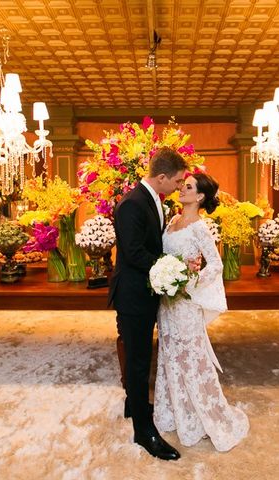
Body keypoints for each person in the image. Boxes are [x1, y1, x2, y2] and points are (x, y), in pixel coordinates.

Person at [154, 172, 249, 452]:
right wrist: (166, 278)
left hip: (185, 303)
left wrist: (188, 284)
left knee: (190, 358)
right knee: (169, 354)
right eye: (183, 184)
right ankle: (176, 412)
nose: (182, 188)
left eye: (189, 186)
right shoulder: (172, 221)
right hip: (166, 303)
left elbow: (215, 265)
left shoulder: (199, 227)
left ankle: (203, 415)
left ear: (200, 197)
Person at [109, 147, 188, 461]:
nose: (181, 186)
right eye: (179, 181)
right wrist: (172, 267)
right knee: (140, 361)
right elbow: (134, 253)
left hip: (145, 291)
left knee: (140, 355)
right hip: (133, 295)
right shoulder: (132, 204)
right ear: (162, 177)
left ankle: (135, 403)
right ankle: (144, 431)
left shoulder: (153, 199)